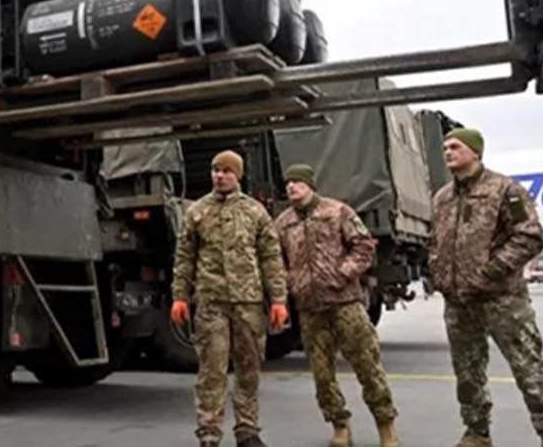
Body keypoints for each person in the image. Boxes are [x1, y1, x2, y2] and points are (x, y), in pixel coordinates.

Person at [430, 128, 543, 447]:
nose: (448, 152)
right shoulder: (442, 198)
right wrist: (437, 270)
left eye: (455, 146)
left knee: (529, 370)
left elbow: (529, 236)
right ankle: (477, 432)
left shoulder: (505, 190)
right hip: (459, 302)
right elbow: (434, 241)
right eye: (445, 148)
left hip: (502, 300)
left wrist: (491, 271)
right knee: (467, 375)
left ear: (475, 152)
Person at [274, 164, 400, 447]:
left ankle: (386, 425)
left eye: (297, 182)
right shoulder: (283, 223)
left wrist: (343, 272)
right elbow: (274, 260)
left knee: (367, 364)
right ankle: (339, 426)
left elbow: (364, 246)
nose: (291, 187)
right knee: (322, 373)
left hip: (345, 304)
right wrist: (289, 282)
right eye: (288, 183)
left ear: (310, 185)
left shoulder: (337, 212)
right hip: (309, 308)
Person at [170, 150, 289, 447]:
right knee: (212, 370)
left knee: (249, 368)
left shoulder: (255, 212)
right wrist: (180, 297)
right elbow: (184, 258)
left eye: (226, 170)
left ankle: (247, 430)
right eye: (215, 170)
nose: (219, 175)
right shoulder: (197, 212)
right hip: (212, 302)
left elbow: (271, 258)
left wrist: (278, 300)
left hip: (248, 303)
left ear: (238, 175)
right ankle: (209, 433)